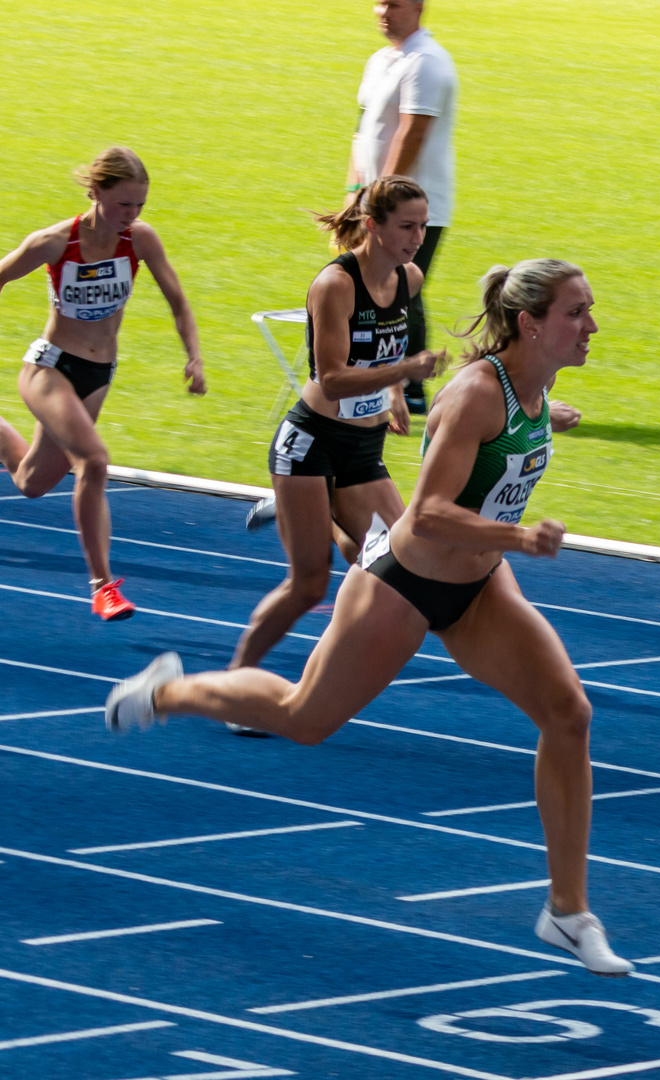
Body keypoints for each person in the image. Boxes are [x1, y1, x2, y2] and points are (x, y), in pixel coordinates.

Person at [106, 257, 632, 977]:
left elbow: (504, 456)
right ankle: (168, 692)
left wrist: (549, 425)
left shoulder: (534, 391)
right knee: (303, 717)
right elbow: (432, 513)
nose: (592, 325)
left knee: (569, 715)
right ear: (532, 323)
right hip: (404, 582)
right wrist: (520, 537)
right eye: (578, 312)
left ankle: (567, 913)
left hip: (478, 591)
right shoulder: (476, 394)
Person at [237, 177, 444, 671]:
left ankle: (319, 508)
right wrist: (404, 374)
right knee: (308, 585)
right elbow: (330, 379)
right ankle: (237, 681)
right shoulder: (334, 285)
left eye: (423, 226)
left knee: (400, 567)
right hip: (312, 442)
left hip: (362, 448)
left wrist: (393, 390)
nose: (417, 238)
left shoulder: (408, 278)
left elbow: (388, 343)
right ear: (372, 225)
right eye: (406, 227)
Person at [0, 147, 206, 620]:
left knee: (32, 482)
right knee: (93, 461)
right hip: (50, 368)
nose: (130, 216)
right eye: (122, 205)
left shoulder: (139, 239)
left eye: (139, 206)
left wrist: (193, 356)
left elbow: (178, 301)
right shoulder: (55, 242)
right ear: (94, 193)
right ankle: (102, 587)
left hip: (98, 376)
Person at [347, 0, 458, 414]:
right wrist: (353, 189)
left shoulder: (427, 63)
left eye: (392, 3)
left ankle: (408, 385)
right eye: (377, 2)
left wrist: (377, 200)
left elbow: (410, 135)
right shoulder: (380, 61)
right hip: (377, 201)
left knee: (402, 287)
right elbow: (364, 131)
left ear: (417, 6)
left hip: (414, 208)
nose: (381, 11)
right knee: (394, 288)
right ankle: (398, 381)